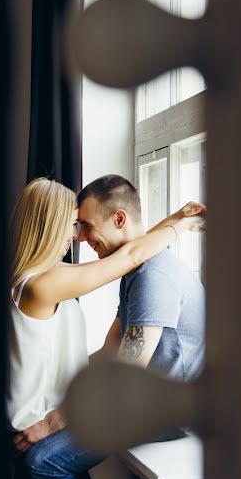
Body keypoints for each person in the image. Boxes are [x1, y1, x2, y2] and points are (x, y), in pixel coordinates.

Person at [7, 177, 204, 479]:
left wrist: (175, 222)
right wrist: (175, 225)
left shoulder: (146, 274)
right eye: (73, 224)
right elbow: (128, 254)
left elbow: (131, 254)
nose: (79, 236)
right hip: (30, 423)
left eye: (83, 225)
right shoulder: (42, 283)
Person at [78, 174, 206, 442]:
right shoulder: (134, 271)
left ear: (119, 219)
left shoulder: (152, 275)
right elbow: (111, 348)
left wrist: (61, 414)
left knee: (42, 461)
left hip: (170, 417)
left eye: (87, 226)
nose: (81, 237)